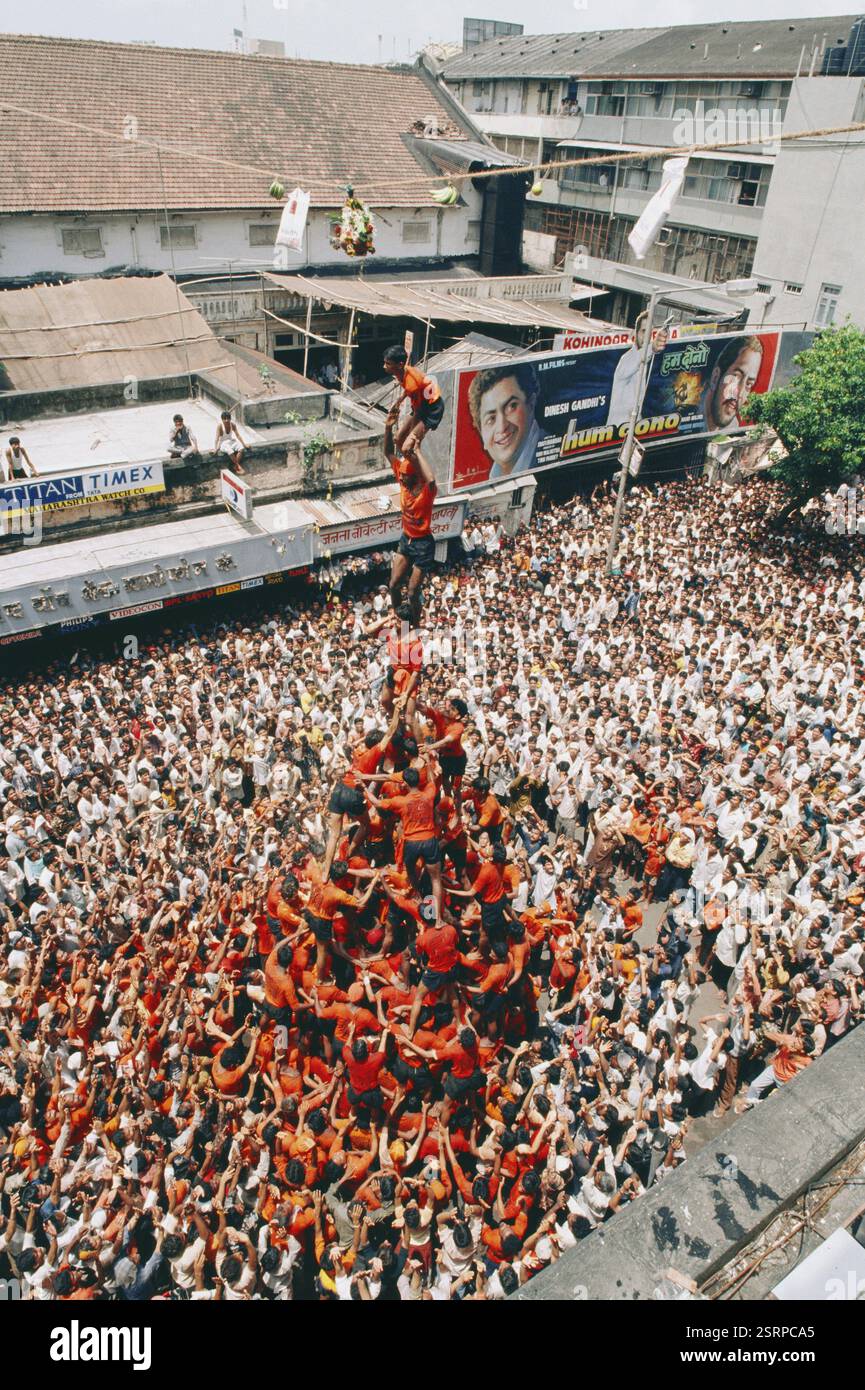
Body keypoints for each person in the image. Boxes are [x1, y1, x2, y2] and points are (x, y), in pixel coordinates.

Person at [383, 404, 437, 624]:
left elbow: (431, 479)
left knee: (413, 592)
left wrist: (418, 452)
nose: (401, 479)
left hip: (424, 543)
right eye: (401, 476)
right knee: (393, 585)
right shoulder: (404, 482)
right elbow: (388, 452)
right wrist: (388, 428)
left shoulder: (426, 491)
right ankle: (400, 618)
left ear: (415, 477)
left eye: (406, 476)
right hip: (407, 539)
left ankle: (414, 623)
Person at [466, 364, 544, 481]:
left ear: (531, 404)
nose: (502, 427)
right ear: (481, 432)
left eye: (511, 406)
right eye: (491, 419)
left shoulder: (549, 461)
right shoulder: (494, 477)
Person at [382, 345, 444, 457]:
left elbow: (418, 411)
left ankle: (415, 469)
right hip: (421, 403)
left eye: (388, 363)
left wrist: (412, 433)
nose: (384, 366)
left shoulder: (412, 384)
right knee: (397, 439)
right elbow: (407, 391)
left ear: (400, 364)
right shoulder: (402, 372)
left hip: (432, 408)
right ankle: (410, 464)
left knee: (408, 446)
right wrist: (399, 401)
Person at [701, 336, 764, 434]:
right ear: (715, 377)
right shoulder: (686, 415)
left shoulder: (732, 427)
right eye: (736, 377)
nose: (740, 394)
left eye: (749, 384)